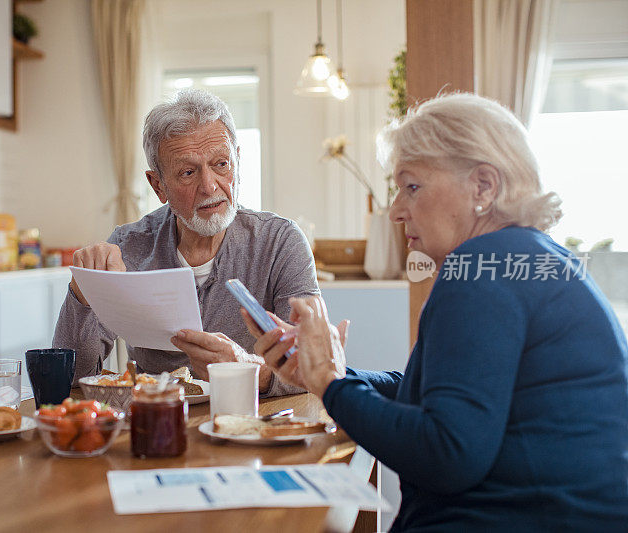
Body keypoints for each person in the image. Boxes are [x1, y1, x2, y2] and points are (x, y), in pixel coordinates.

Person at [245, 93, 628, 530]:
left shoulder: (479, 271)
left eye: (412, 187)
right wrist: (328, 372)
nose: (395, 211)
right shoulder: (521, 257)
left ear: (483, 186)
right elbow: (443, 391)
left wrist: (330, 385)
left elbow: (447, 453)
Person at [53, 88, 318, 396]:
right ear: (158, 185)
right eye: (188, 172)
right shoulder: (129, 248)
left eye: (221, 164)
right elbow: (71, 377)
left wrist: (242, 367)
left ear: (237, 162)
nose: (209, 186)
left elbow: (312, 369)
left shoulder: (281, 242)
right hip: (159, 426)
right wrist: (83, 293)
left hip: (253, 425)